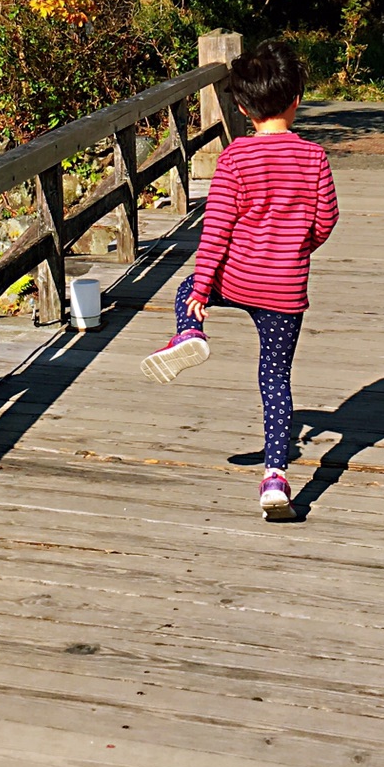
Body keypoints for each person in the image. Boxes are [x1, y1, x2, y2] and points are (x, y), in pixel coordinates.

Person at [140, 40, 339, 517]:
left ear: (243, 107)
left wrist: (205, 285)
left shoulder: (234, 160)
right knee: (275, 378)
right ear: (296, 99)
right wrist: (296, 250)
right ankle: (275, 477)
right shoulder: (313, 158)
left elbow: (216, 230)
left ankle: (189, 333)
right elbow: (326, 219)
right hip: (285, 288)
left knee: (187, 287)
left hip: (238, 277)